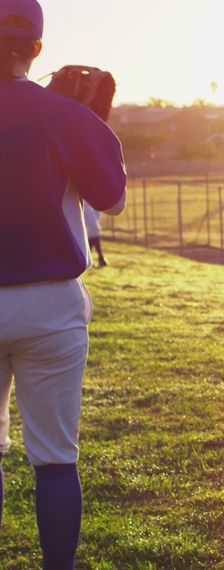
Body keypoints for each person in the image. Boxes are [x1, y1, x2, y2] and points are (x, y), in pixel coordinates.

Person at [0, 1, 126, 568]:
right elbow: (112, 201)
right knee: (54, 460)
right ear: (37, 49)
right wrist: (91, 121)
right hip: (50, 304)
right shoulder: (63, 114)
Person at [82, 202, 108, 267]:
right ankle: (100, 260)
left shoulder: (93, 210)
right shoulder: (86, 208)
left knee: (91, 247)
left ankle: (99, 260)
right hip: (92, 231)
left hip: (93, 231)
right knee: (93, 246)